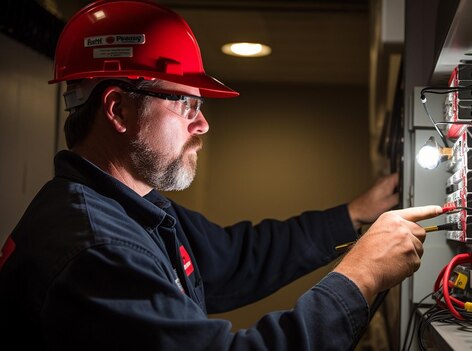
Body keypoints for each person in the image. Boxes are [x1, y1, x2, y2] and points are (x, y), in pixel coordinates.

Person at [0, 0, 443, 349]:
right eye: (185, 104)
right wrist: (360, 277)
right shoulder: (96, 251)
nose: (202, 124)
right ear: (118, 109)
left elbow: (238, 257)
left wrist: (354, 214)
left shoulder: (136, 208)